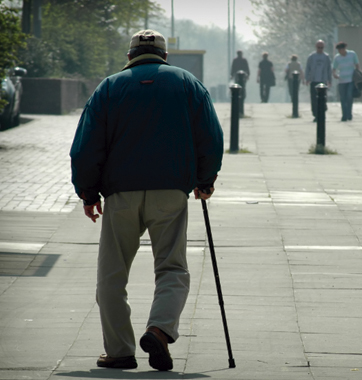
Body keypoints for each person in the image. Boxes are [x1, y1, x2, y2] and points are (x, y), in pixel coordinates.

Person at [70, 29, 223, 372]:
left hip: (120, 194)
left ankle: (120, 351)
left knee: (112, 275)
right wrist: (205, 180)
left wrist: (87, 191)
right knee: (172, 267)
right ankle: (159, 328)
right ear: (165, 57)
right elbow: (211, 137)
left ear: (129, 57)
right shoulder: (187, 83)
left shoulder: (109, 87)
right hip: (170, 193)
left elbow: (85, 146)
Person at [332, 41, 360, 121]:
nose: (340, 51)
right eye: (339, 50)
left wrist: (358, 74)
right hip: (342, 80)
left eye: (341, 49)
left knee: (349, 97)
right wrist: (334, 74)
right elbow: (334, 68)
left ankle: (349, 114)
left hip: (351, 79)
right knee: (343, 98)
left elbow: (357, 64)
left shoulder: (352, 54)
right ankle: (344, 115)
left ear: (344, 48)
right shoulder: (337, 58)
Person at [305, 40, 332, 122]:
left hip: (323, 81)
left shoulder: (326, 57)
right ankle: (316, 114)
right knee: (314, 99)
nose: (320, 49)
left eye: (322, 47)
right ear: (316, 47)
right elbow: (307, 68)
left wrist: (329, 80)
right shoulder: (311, 57)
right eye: (318, 47)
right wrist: (307, 78)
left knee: (323, 98)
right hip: (313, 81)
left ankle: (322, 112)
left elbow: (329, 69)